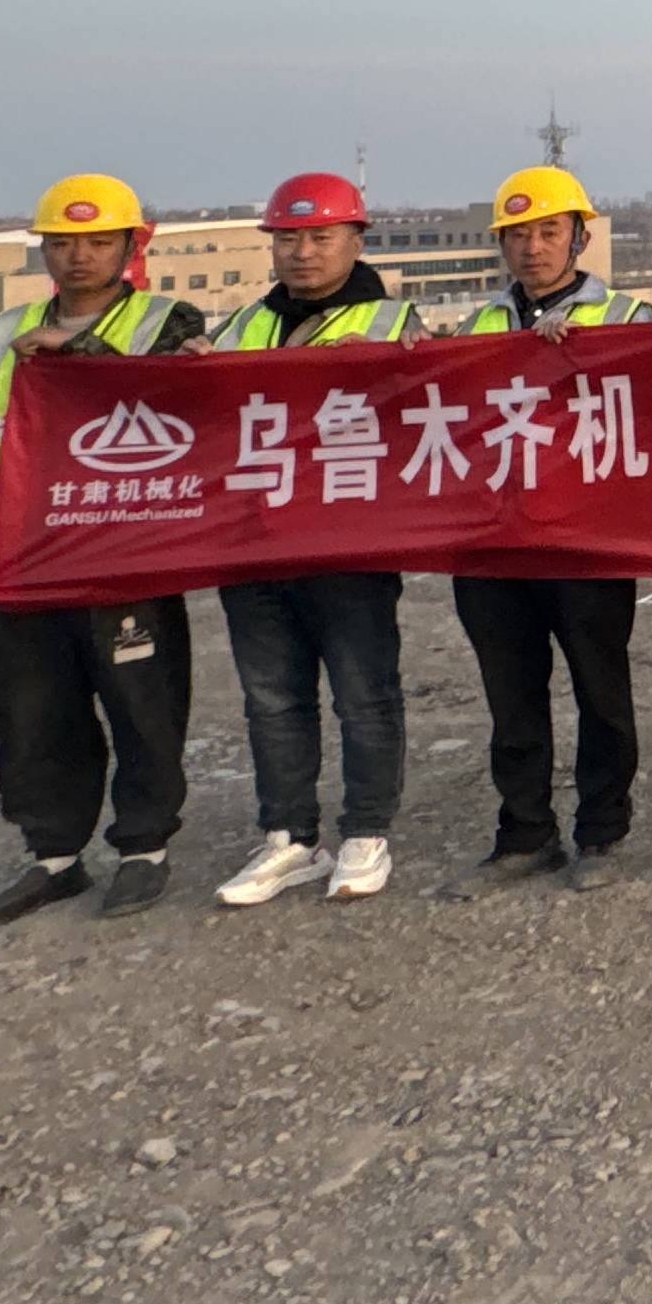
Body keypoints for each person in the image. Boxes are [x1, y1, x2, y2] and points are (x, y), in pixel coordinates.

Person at [0, 173, 205, 925]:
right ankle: (53, 856)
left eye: (97, 242)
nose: (79, 256)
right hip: (23, 551)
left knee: (143, 702)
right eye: (62, 243)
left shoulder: (167, 321)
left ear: (129, 246)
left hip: (127, 551)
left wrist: (75, 347)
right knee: (31, 708)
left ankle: (144, 847)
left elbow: (179, 400)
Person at [196, 173, 424, 904]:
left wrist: (395, 369)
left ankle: (366, 832)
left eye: (321, 237)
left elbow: (432, 421)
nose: (303, 252)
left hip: (350, 546)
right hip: (257, 543)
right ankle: (289, 837)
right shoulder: (241, 328)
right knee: (272, 699)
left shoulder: (396, 324)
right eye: (288, 239)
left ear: (356, 241)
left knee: (363, 694)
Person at [447, 165, 648, 894]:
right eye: (518, 235)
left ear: (579, 239)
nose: (533, 248)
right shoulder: (478, 328)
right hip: (495, 544)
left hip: (588, 541)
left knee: (601, 691)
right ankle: (525, 833)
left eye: (548, 232)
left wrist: (575, 356)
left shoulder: (625, 318)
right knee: (512, 700)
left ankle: (603, 830)